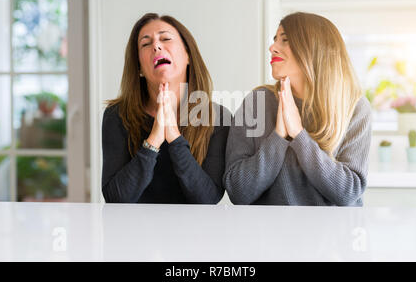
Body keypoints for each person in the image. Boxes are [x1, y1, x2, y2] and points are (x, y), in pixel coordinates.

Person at [224, 12, 372, 206]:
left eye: (284, 40)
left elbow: (347, 192)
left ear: (313, 49)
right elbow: (238, 192)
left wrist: (299, 135)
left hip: (334, 234)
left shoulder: (355, 108)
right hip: (269, 234)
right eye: (275, 40)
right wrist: (279, 137)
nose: (272, 47)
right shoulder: (257, 102)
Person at [102, 13, 230, 204]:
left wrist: (175, 139)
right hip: (132, 232)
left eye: (166, 38)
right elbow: (115, 198)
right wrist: (153, 141)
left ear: (188, 55)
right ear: (139, 67)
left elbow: (208, 199)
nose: (156, 46)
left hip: (195, 233)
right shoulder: (117, 115)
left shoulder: (217, 117)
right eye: (146, 44)